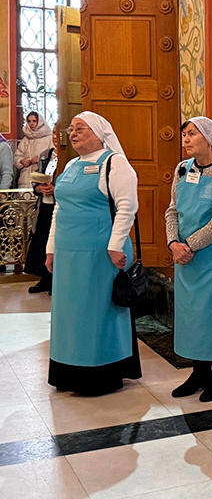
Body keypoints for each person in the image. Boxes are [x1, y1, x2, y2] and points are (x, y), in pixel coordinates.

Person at [44, 112, 140, 395]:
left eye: (80, 129)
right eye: (71, 129)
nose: (73, 133)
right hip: (68, 253)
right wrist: (51, 248)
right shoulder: (71, 165)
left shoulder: (114, 163)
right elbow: (59, 208)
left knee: (96, 313)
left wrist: (115, 245)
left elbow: (127, 207)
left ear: (99, 134)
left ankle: (100, 373)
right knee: (69, 315)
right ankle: (68, 370)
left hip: (100, 254)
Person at [166, 117, 212, 402]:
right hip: (185, 256)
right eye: (184, 134)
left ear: (209, 138)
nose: (185, 139)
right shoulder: (182, 168)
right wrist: (173, 243)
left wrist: (189, 245)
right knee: (192, 313)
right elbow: (172, 210)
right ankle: (199, 372)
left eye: (192, 134)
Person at [24, 129, 58, 293]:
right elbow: (37, 177)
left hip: (58, 207)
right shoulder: (46, 154)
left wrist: (56, 189)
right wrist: (39, 187)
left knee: (56, 243)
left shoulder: (70, 157)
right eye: (54, 133)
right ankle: (44, 279)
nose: (56, 137)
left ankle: (55, 281)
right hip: (44, 206)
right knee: (42, 241)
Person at [14, 111, 54, 188]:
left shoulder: (49, 139)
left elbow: (54, 158)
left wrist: (40, 160)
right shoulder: (25, 140)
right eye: (29, 121)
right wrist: (22, 161)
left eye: (34, 121)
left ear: (39, 122)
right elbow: (16, 157)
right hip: (24, 180)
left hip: (41, 180)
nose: (31, 124)